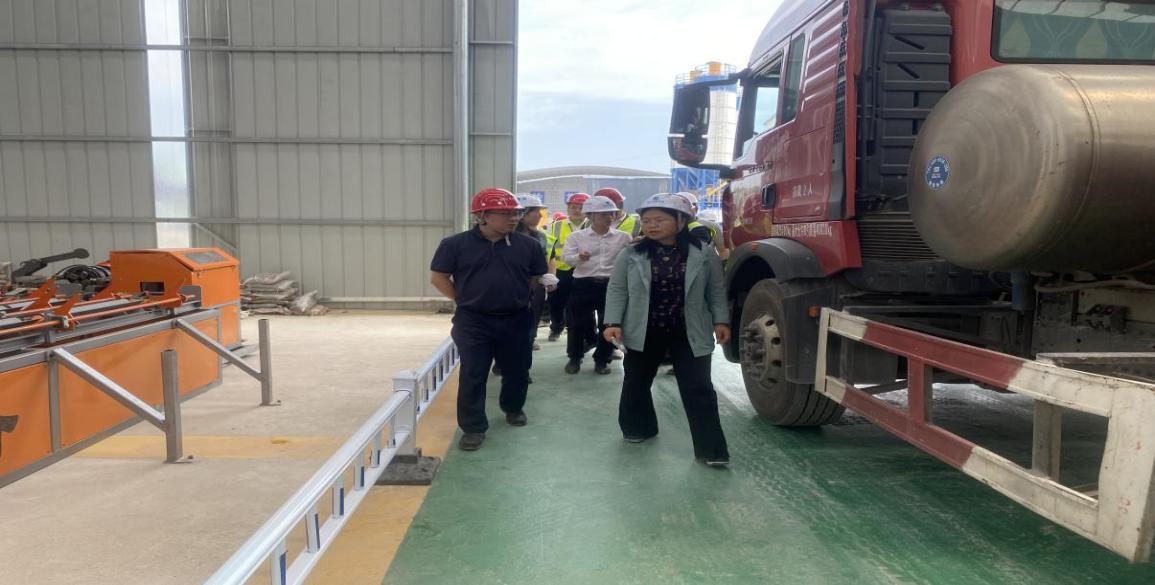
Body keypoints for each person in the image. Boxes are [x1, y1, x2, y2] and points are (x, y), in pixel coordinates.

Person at [604, 192, 732, 467]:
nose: (651, 225)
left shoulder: (703, 252)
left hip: (688, 329)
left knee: (699, 387)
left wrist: (721, 321)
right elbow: (617, 289)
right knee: (636, 381)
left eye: (659, 220)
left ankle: (711, 450)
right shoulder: (631, 253)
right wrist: (612, 322)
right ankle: (638, 427)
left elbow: (716, 290)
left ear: (681, 221)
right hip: (644, 328)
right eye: (647, 220)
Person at [430, 188, 547, 452]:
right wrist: (464, 298)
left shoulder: (528, 246)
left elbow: (534, 277)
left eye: (516, 213)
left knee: (517, 370)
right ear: (482, 215)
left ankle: (513, 407)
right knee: (473, 373)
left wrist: (515, 296)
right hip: (473, 321)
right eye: (505, 213)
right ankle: (473, 427)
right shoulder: (454, 245)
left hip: (516, 319)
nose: (513, 219)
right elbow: (438, 277)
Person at [560, 195, 631, 375]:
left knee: (609, 324)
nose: (609, 217)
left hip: (611, 286)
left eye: (611, 213)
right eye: (604, 214)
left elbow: (631, 259)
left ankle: (602, 360)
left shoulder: (623, 237)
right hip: (583, 284)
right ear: (590, 215)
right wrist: (579, 257)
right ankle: (574, 358)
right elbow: (566, 259)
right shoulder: (576, 237)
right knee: (576, 324)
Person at [515, 193, 559, 356]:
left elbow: (551, 257)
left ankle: (527, 346)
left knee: (532, 321)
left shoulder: (541, 237)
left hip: (536, 287)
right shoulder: (505, 236)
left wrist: (550, 277)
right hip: (512, 288)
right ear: (523, 213)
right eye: (536, 211)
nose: (540, 216)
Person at [546, 193, 589, 342]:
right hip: (560, 270)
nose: (576, 211)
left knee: (583, 304)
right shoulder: (555, 226)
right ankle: (556, 328)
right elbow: (548, 249)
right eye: (573, 207)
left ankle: (584, 333)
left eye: (580, 208)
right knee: (555, 302)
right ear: (568, 208)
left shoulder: (593, 226)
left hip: (585, 271)